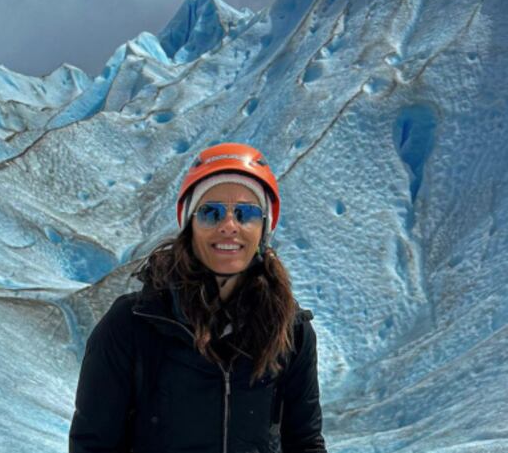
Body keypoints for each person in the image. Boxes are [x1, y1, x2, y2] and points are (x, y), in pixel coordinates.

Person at [69, 142, 327, 453]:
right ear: (189, 225)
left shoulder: (291, 331)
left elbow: (304, 444)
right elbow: (94, 446)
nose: (229, 226)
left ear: (264, 228)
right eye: (211, 212)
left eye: (246, 213)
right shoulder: (132, 325)